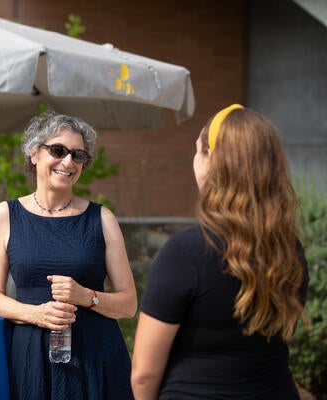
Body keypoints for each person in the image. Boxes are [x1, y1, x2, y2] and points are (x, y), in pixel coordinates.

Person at [131, 105, 309, 399]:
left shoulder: (185, 252)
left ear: (211, 160)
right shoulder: (290, 249)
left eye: (197, 151)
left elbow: (143, 373)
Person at [0, 112, 138, 400]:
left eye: (78, 155)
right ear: (34, 153)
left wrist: (86, 296)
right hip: (32, 359)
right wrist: (37, 314)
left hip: (95, 357)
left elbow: (129, 304)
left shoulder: (102, 219)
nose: (68, 162)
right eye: (58, 151)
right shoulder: (5, 215)